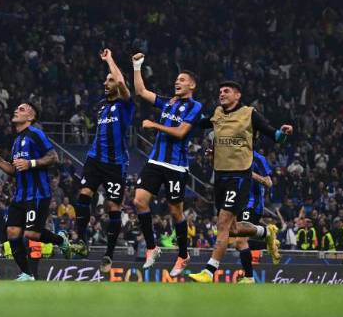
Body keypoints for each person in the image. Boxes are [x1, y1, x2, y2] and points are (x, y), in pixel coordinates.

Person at [187, 81, 293, 283]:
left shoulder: (249, 113)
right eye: (219, 91)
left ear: (238, 95)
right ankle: (265, 232)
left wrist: (284, 134)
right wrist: (187, 104)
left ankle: (209, 271)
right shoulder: (217, 113)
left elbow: (275, 135)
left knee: (223, 225)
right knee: (233, 229)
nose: (222, 94)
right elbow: (199, 123)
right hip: (220, 177)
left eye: (226, 91)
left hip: (239, 177)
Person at [131, 54, 204, 277]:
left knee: (175, 212)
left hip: (176, 166)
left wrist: (154, 125)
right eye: (176, 80)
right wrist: (137, 66)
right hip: (155, 161)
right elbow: (141, 91)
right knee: (139, 201)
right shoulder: (168, 102)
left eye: (182, 80)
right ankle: (152, 248)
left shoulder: (194, 106)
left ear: (192, 85)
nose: (177, 82)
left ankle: (183, 255)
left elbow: (182, 132)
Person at [0, 103, 70, 280]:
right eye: (16, 108)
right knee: (12, 234)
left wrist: (31, 163)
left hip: (38, 194)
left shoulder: (36, 133)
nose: (16, 110)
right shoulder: (17, 140)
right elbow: (15, 170)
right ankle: (27, 274)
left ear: (31, 117)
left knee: (30, 234)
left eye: (22, 109)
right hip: (20, 195)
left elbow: (53, 156)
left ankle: (61, 240)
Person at [72, 49, 134, 273]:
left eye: (110, 80)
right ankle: (81, 240)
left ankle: (108, 253)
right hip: (94, 159)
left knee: (113, 206)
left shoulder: (126, 105)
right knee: (83, 196)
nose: (105, 83)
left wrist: (109, 60)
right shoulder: (101, 105)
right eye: (105, 80)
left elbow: (119, 79)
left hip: (116, 164)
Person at [230, 149, 274, 282]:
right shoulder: (232, 155)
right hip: (237, 204)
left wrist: (250, 174)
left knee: (240, 241)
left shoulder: (258, 158)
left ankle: (249, 278)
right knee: (238, 243)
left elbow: (269, 183)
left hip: (252, 204)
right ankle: (267, 235)